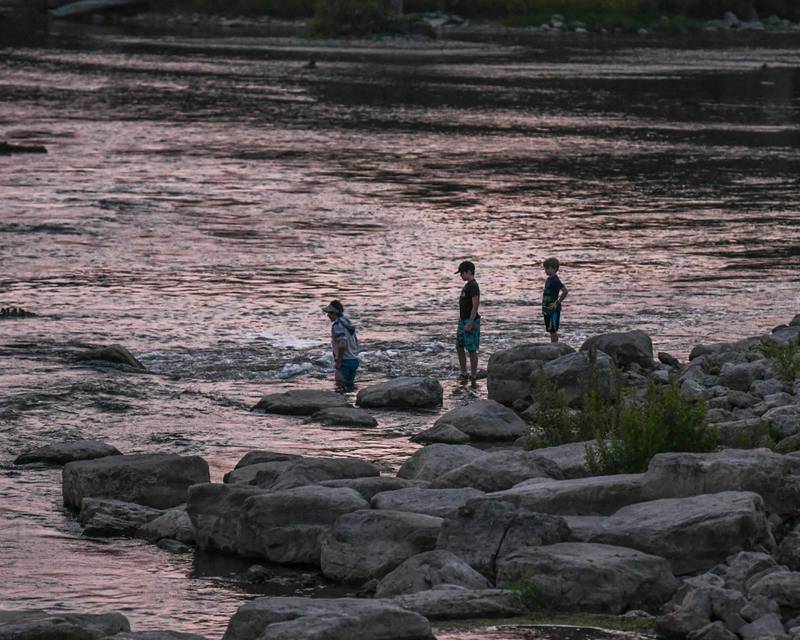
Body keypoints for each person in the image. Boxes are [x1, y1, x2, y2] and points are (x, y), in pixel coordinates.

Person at [322, 300, 359, 390]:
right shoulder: (347, 322)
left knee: (340, 387)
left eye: (329, 313)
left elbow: (342, 344)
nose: (328, 315)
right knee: (349, 387)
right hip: (353, 359)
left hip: (344, 361)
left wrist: (339, 361)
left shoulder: (337, 325)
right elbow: (355, 340)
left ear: (334, 313)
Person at [455, 260, 480, 384]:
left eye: (462, 273)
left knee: (471, 348)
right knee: (459, 346)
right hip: (462, 320)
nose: (461, 276)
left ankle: (474, 375)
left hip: (470, 321)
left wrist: (470, 322)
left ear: (469, 272)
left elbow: (475, 305)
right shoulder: (467, 285)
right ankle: (464, 372)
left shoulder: (474, 286)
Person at [541, 257, 568, 343]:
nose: (545, 270)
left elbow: (565, 291)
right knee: (550, 329)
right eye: (545, 268)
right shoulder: (549, 279)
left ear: (554, 268)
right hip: (547, 309)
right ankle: (553, 344)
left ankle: (555, 345)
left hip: (553, 310)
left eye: (547, 268)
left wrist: (558, 302)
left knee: (553, 330)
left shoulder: (555, 280)